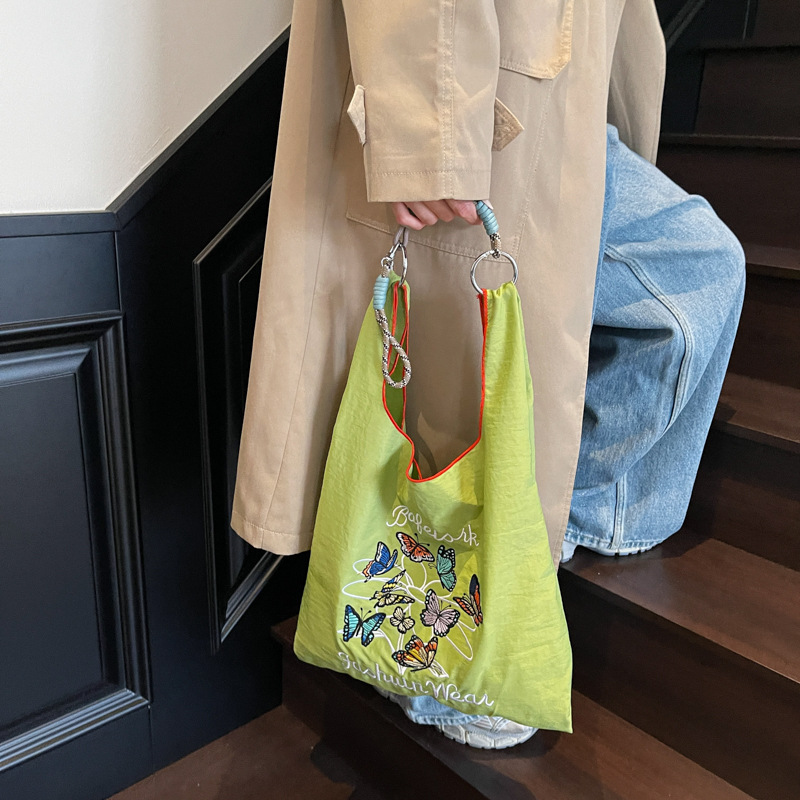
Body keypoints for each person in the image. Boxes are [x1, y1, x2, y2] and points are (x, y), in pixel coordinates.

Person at [231, 0, 745, 749]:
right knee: (450, 387)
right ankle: (434, 667)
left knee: (699, 265)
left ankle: (560, 530)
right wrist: (428, 132)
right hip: (470, 88)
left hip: (554, 91)